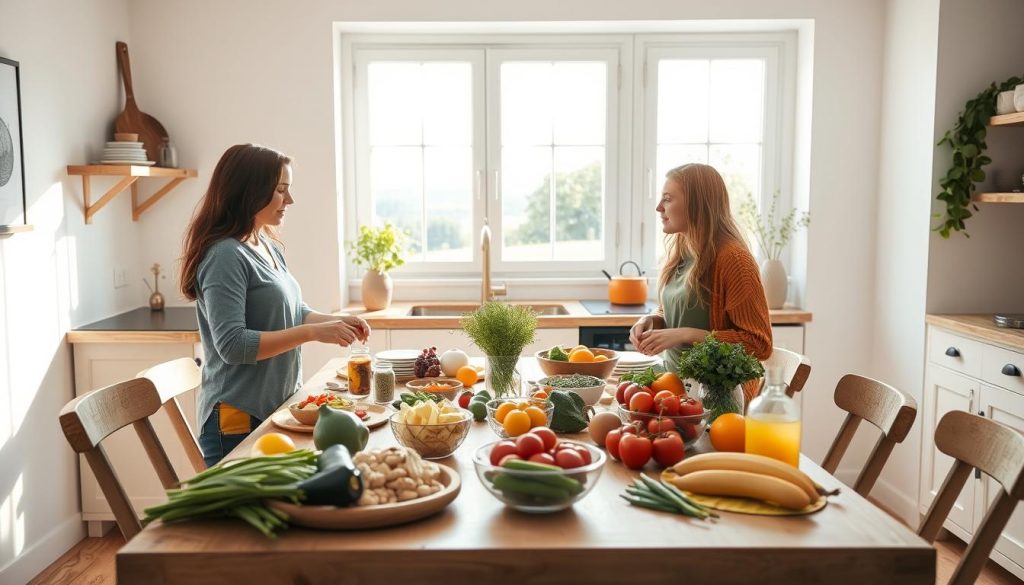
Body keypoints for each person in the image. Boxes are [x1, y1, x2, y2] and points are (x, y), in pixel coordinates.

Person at [180, 144, 370, 466]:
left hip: (276, 407)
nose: (289, 200)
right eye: (281, 190)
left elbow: (291, 311)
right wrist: (312, 332)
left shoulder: (265, 243)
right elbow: (233, 345)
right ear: (250, 190)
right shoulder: (225, 256)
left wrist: (336, 322)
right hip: (238, 417)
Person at [629, 163, 772, 403]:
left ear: (697, 204)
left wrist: (687, 335)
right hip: (675, 389)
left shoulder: (734, 259)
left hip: (717, 399)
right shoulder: (683, 250)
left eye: (668, 199)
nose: (659, 208)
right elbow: (678, 312)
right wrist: (651, 321)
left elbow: (759, 344)